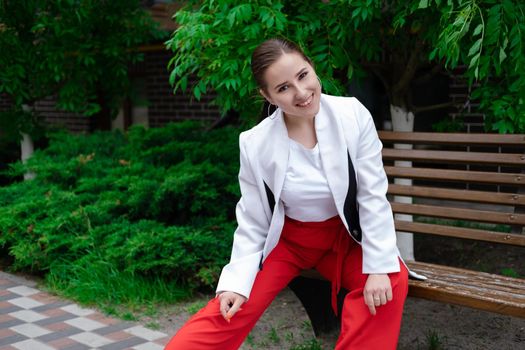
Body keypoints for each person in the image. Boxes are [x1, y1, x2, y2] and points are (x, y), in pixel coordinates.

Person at [165, 38, 410, 350]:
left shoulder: (352, 116)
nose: (301, 93)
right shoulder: (255, 143)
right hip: (289, 242)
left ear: (312, 66)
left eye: (303, 75)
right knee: (231, 306)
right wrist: (235, 283)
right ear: (267, 95)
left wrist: (377, 268)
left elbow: (372, 195)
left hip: (343, 240)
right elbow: (253, 219)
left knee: (389, 279)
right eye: (283, 88)